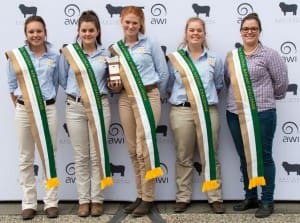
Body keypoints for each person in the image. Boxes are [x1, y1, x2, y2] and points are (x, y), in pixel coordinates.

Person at [225, 13, 288, 218]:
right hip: (235, 113)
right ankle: (251, 196)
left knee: (264, 156)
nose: (249, 31)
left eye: (253, 28)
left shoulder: (270, 55)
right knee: (245, 156)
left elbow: (281, 84)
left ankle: (267, 201)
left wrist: (265, 100)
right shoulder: (233, 56)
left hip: (262, 114)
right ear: (240, 32)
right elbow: (228, 82)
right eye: (245, 28)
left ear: (259, 31)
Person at [110, 6, 169, 217]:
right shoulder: (116, 49)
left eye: (135, 22)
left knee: (145, 149)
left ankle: (148, 198)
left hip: (148, 96)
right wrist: (114, 86)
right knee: (133, 149)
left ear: (141, 24)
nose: (131, 26)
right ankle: (139, 194)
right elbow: (114, 78)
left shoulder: (150, 43)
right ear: (121, 23)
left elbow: (163, 72)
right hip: (125, 98)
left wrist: (152, 93)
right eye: (127, 22)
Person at [59, 10, 117, 217]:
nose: (87, 33)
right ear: (78, 31)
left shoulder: (107, 55)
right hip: (75, 107)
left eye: (91, 30)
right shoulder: (69, 54)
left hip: (100, 106)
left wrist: (113, 86)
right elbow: (63, 79)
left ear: (97, 31)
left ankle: (97, 199)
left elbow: (112, 85)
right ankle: (83, 200)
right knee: (81, 156)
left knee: (97, 155)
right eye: (83, 30)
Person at [167, 17, 225, 214]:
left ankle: (214, 197)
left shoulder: (214, 59)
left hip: (208, 111)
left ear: (204, 34)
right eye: (191, 30)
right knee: (184, 156)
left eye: (199, 30)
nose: (195, 33)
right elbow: (168, 86)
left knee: (210, 154)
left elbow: (218, 86)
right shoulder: (175, 58)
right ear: (186, 33)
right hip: (182, 110)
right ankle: (183, 197)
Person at [6, 15, 60, 220]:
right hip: (23, 110)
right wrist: (24, 107)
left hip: (48, 110)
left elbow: (55, 84)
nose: (35, 35)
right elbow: (12, 86)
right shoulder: (16, 57)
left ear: (45, 32)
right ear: (26, 34)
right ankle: (28, 202)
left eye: (39, 31)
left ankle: (51, 201)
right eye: (31, 32)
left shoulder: (54, 57)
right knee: (25, 158)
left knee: (50, 157)